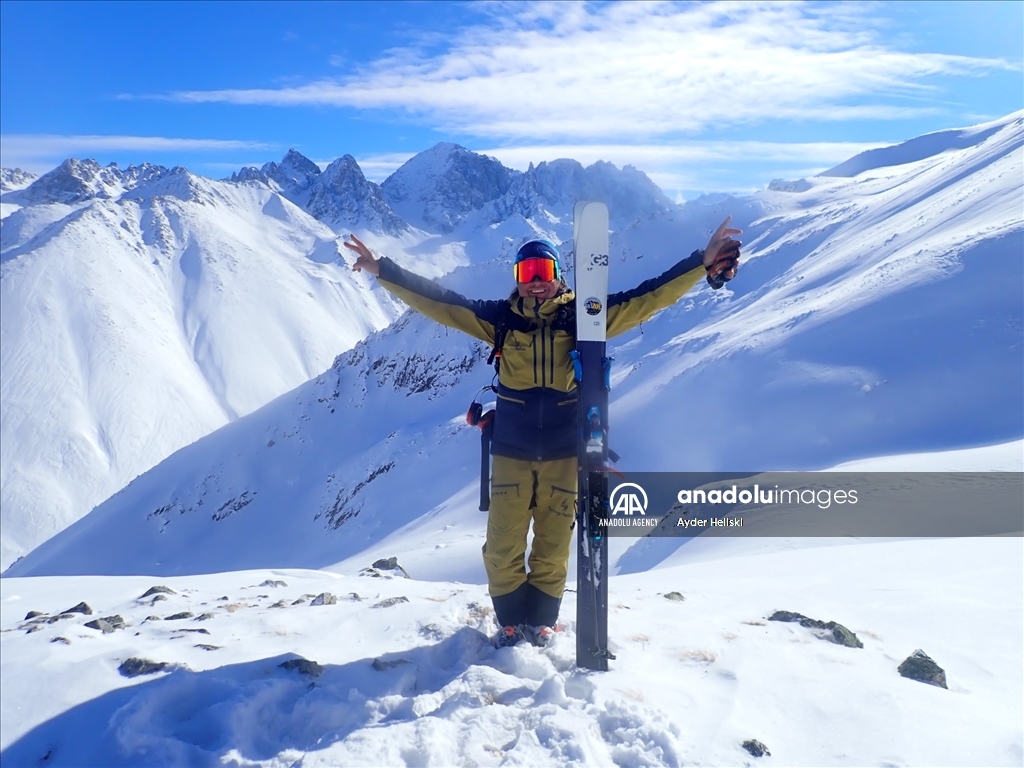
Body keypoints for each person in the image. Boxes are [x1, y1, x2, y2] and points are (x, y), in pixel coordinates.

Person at [344, 217, 741, 647]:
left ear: (558, 274)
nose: (535, 282)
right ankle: (511, 621)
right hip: (511, 451)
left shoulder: (585, 317)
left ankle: (543, 621)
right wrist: (383, 269)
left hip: (564, 452)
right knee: (501, 548)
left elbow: (647, 298)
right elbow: (440, 302)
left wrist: (701, 262)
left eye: (543, 271)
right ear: (517, 277)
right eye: (527, 272)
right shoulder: (500, 319)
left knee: (552, 548)